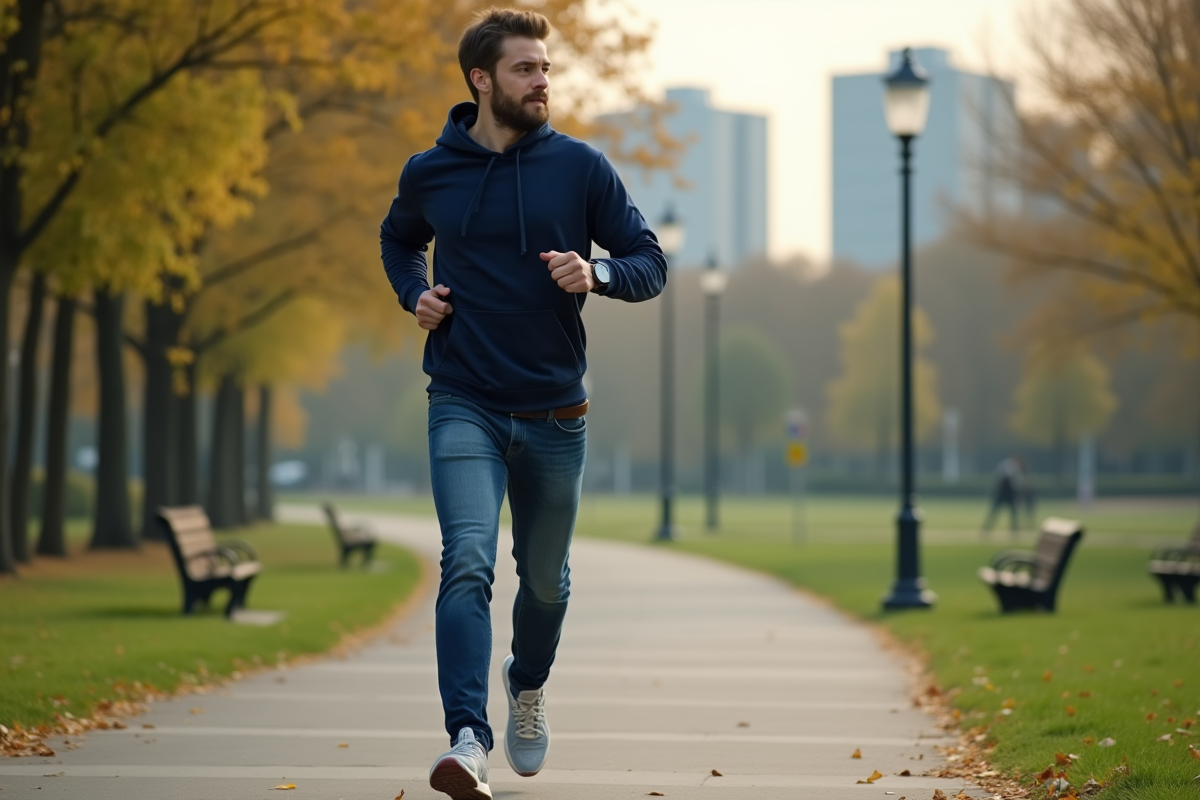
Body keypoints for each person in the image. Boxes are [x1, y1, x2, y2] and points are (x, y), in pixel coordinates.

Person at [379, 8, 667, 799]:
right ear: (481, 80)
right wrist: (416, 295)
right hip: (464, 398)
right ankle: (467, 739)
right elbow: (397, 238)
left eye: (546, 68)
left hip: (553, 413)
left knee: (546, 584)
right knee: (466, 560)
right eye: (526, 69)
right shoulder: (429, 171)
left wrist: (596, 274)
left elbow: (649, 262)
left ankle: (527, 683)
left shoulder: (580, 168)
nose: (544, 81)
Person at [982, 455, 1027, 535]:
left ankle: (1014, 530)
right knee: (995, 512)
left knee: (1013, 513)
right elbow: (1002, 476)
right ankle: (987, 528)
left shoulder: (1016, 469)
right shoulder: (1006, 466)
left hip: (1009, 495)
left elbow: (1017, 484)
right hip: (1002, 494)